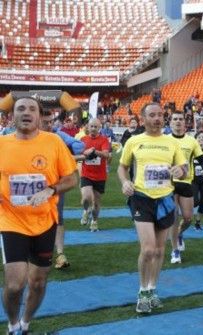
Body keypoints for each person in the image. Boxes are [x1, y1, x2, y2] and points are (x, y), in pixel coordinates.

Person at [0, 97, 77, 334]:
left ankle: (25, 323)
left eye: (32, 109)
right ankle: (12, 325)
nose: (26, 112)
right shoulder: (1, 144)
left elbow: (72, 178)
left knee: (38, 282)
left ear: (40, 116)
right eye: (20, 108)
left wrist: (51, 189)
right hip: (11, 220)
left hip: (45, 222)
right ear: (12, 115)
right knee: (15, 285)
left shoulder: (53, 142)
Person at [117, 102, 187, 314]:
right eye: (152, 115)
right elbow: (122, 167)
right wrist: (124, 182)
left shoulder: (171, 142)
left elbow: (183, 168)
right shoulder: (134, 141)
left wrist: (179, 170)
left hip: (165, 198)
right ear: (143, 118)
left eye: (160, 115)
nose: (157, 118)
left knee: (159, 249)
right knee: (147, 249)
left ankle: (152, 289)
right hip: (141, 198)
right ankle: (142, 291)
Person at [40, 111, 85, 269]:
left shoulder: (58, 136)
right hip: (31, 188)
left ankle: (60, 254)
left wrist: (70, 151)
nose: (50, 125)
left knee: (58, 218)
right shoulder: (22, 138)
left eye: (51, 122)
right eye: (45, 122)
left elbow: (79, 146)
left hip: (56, 186)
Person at [167, 111, 203, 264]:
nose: (178, 121)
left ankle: (178, 235)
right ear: (170, 122)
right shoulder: (165, 140)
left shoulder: (191, 141)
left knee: (188, 218)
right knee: (174, 217)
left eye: (180, 119)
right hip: (169, 183)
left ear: (185, 122)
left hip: (186, 183)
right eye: (175, 119)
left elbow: (202, 158)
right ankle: (175, 251)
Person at [80, 118, 111, 232]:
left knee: (96, 203)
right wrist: (85, 153)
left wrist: (94, 152)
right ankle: (85, 211)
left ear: (99, 128)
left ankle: (94, 221)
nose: (93, 128)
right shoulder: (83, 139)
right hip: (86, 174)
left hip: (100, 176)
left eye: (95, 127)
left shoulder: (104, 140)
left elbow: (106, 155)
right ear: (87, 127)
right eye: (91, 126)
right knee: (86, 198)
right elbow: (78, 154)